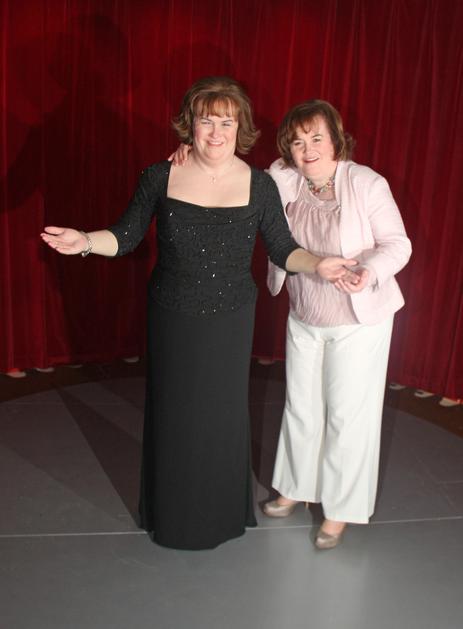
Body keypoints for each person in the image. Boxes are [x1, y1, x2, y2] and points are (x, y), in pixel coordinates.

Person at [41, 78, 358, 550]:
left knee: (221, 416)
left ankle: (220, 516)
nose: (216, 132)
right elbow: (125, 236)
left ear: (240, 127)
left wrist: (319, 264)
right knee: (174, 414)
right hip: (173, 314)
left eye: (226, 122)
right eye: (206, 121)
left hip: (231, 317)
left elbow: (283, 248)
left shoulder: (260, 184)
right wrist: (85, 241)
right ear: (190, 125)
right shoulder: (159, 176)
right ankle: (172, 517)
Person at [262, 100, 412, 549]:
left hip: (358, 319)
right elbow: (242, 183)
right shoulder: (285, 178)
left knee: (348, 414)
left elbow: (398, 244)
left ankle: (341, 510)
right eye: (297, 141)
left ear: (336, 140)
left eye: (316, 138)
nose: (307, 149)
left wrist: (369, 271)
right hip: (305, 311)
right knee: (301, 406)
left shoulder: (366, 183)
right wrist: (188, 153)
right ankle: (294, 487)